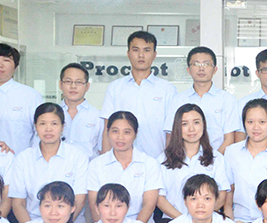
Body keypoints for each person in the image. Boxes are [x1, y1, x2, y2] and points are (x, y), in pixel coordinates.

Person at [87, 111, 162, 223]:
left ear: (135, 134)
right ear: (107, 132)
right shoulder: (96, 164)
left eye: (127, 132)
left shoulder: (149, 164)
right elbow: (94, 205)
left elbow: (149, 205)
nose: (120, 137)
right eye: (115, 131)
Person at [8, 103, 89, 223]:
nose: (48, 129)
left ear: (63, 127)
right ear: (35, 126)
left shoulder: (77, 156)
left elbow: (79, 200)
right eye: (42, 124)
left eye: (54, 124)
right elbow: (18, 203)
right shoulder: (23, 158)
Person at [100, 30, 177, 158]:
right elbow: (107, 129)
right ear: (128, 53)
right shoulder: (115, 88)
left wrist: (167, 163)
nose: (141, 55)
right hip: (121, 162)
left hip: (157, 161)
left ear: (154, 54)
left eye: (147, 50)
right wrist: (106, 162)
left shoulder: (168, 89)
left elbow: (171, 132)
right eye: (136, 50)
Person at [157, 104, 230, 223]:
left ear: (203, 125)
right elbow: (159, 198)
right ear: (177, 128)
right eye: (184, 124)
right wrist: (184, 220)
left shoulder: (216, 158)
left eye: (196, 122)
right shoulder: (163, 159)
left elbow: (222, 194)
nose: (191, 129)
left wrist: (201, 218)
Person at [166, 46, 237, 154]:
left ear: (215, 69)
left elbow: (229, 139)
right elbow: (171, 136)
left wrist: (213, 160)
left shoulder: (227, 99)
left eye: (206, 64)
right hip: (183, 161)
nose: (201, 68)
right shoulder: (178, 100)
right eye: (196, 64)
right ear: (188, 70)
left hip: (218, 160)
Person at [59, 62, 103, 160]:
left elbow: (102, 151)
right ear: (60, 85)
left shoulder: (98, 117)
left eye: (79, 82)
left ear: (87, 86)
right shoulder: (51, 115)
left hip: (88, 168)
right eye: (68, 81)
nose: (73, 86)